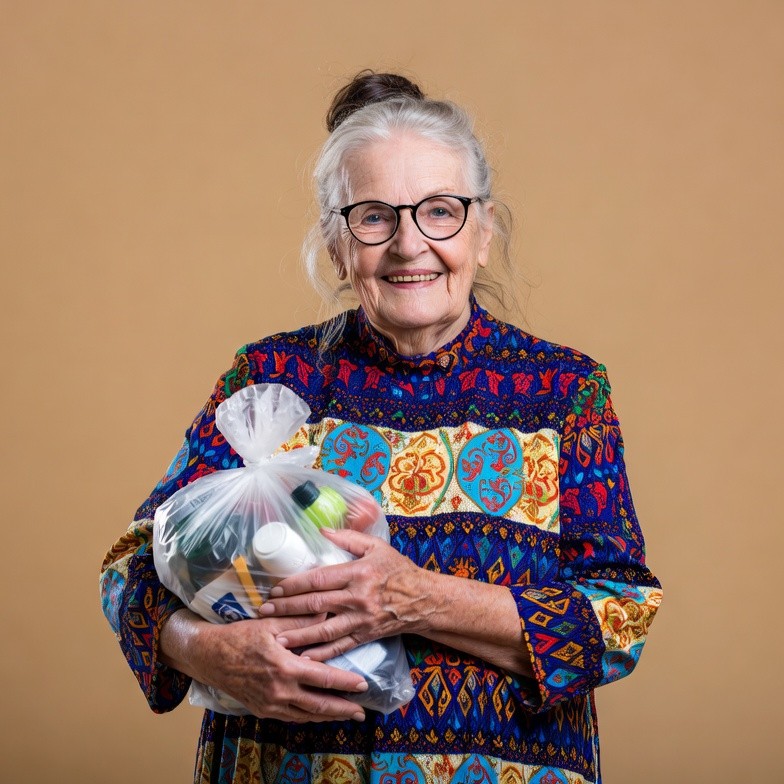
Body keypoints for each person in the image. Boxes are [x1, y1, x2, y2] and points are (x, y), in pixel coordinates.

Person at [100, 71, 662, 784]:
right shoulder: (268, 380)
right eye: (373, 216)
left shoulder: (563, 393)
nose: (407, 244)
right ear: (338, 245)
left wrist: (414, 597)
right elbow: (132, 567)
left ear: (483, 233)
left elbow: (618, 621)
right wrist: (207, 653)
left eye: (440, 211)